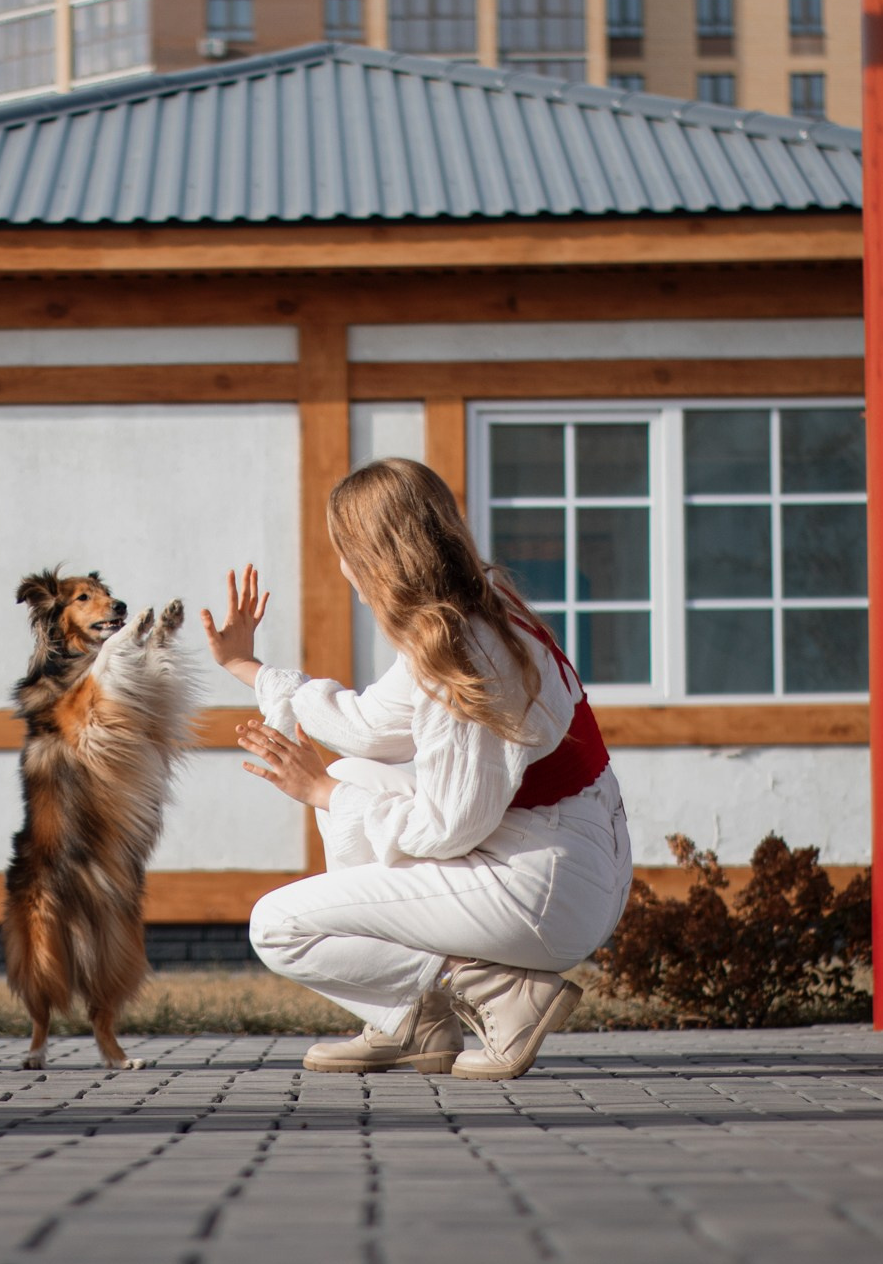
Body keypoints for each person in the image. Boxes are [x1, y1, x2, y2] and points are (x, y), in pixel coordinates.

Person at [201, 457, 632, 1080]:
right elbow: (367, 725)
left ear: (378, 557)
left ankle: (494, 991)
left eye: (345, 552)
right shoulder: (471, 608)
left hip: (548, 888)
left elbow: (450, 827)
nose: (343, 569)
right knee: (356, 773)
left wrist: (321, 793)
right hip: (563, 855)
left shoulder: (460, 652)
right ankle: (413, 1023)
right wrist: (247, 666)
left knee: (277, 926)